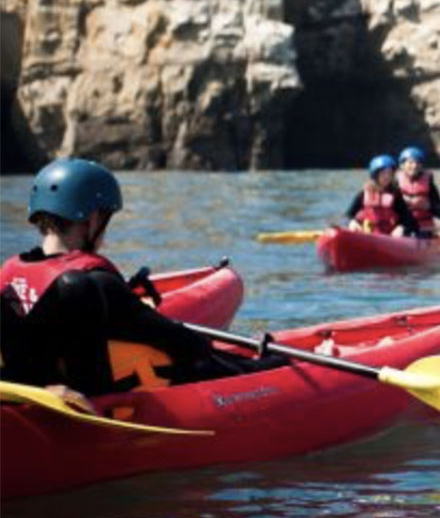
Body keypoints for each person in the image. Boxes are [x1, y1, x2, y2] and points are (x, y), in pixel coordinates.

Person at [0, 158, 280, 402]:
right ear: (94, 219)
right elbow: (179, 343)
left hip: (22, 388)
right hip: (96, 401)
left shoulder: (11, 272)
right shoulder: (95, 283)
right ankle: (276, 366)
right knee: (194, 359)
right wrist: (267, 362)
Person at [344, 155, 422, 238]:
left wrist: (401, 227)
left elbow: (409, 219)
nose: (387, 176)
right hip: (367, 234)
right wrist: (352, 222)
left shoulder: (395, 194)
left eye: (390, 173)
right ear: (375, 174)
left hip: (389, 237)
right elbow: (348, 215)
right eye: (383, 173)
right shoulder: (364, 193)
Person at [395, 145, 440, 237]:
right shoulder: (395, 184)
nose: (414, 166)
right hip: (402, 227)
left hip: (424, 228)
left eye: (418, 163)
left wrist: (428, 207)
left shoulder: (429, 185)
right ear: (402, 165)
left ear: (421, 166)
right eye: (410, 163)